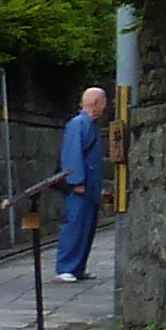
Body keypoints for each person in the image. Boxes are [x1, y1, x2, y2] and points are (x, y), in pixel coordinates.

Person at [56, 85, 112, 281]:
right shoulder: (78, 124)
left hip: (91, 186)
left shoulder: (90, 125)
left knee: (87, 226)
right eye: (104, 102)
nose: (106, 107)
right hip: (80, 186)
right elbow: (72, 154)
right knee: (75, 224)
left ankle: (78, 266)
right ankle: (66, 267)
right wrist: (76, 181)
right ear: (96, 103)